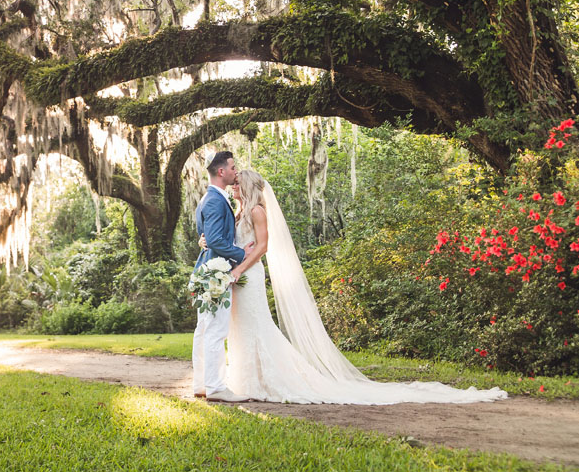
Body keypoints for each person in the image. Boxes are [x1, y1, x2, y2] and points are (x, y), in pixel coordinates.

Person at [199, 169, 508, 404]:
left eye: (238, 181)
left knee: (258, 328)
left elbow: (262, 247)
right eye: (233, 180)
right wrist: (207, 242)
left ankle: (263, 382)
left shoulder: (257, 211)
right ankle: (243, 381)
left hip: (247, 277)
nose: (233, 183)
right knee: (240, 331)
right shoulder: (238, 211)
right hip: (237, 279)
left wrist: (238, 270)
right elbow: (225, 240)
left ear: (249, 185)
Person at [191, 150, 254, 403]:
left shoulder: (207, 198)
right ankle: (216, 388)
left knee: (204, 329)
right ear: (221, 172)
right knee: (215, 330)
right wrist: (240, 252)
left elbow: (203, 236)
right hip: (216, 271)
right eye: (232, 167)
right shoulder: (216, 200)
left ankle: (202, 384)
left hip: (205, 269)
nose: (234, 171)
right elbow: (214, 240)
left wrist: (205, 241)